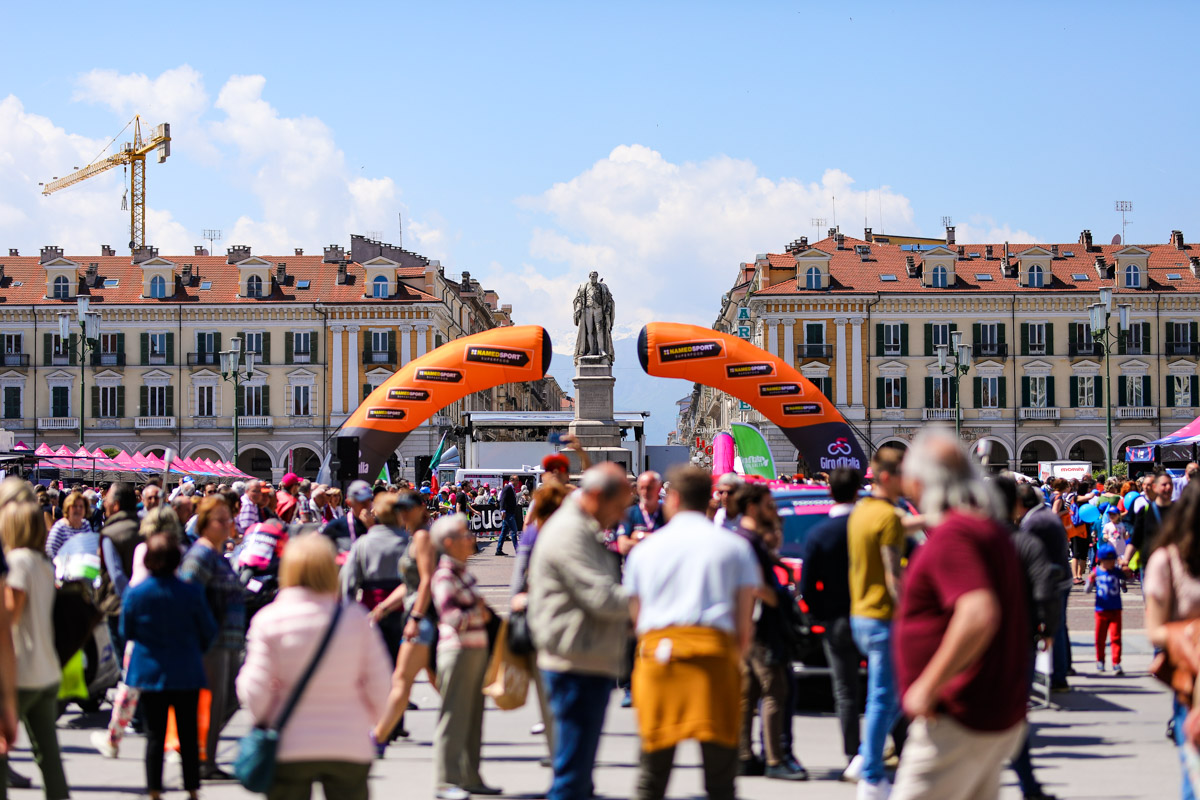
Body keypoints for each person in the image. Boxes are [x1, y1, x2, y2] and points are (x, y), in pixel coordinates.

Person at [890, 430, 1028, 800]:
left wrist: (928, 685)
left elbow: (978, 612)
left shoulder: (955, 536)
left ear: (917, 482)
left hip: (957, 715)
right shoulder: (986, 530)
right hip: (991, 712)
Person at [622, 466, 760, 800]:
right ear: (709, 499)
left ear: (675, 498)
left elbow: (636, 618)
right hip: (714, 657)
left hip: (660, 657)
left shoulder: (646, 550)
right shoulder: (735, 547)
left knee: (652, 774)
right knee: (720, 779)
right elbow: (746, 622)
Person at [237, 534, 392, 800]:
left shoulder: (269, 619)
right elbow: (381, 685)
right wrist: (370, 724)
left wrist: (266, 719)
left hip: (289, 744)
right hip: (348, 743)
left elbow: (253, 688)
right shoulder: (354, 618)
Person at [528, 463, 632, 800]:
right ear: (599, 497)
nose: (619, 517)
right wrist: (654, 603)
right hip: (574, 660)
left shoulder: (584, 527)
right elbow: (600, 596)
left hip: (586, 656)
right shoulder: (571, 531)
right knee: (571, 780)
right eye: (618, 508)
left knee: (578, 777)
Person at [123, 532, 216, 800]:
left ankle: (154, 790)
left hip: (150, 672)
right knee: (188, 735)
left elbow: (125, 630)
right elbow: (208, 630)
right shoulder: (191, 592)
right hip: (186, 670)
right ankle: (192, 789)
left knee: (154, 736)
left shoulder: (136, 594)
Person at [727, 483, 806, 780]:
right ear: (752, 508)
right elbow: (755, 587)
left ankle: (745, 756)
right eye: (768, 506)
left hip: (752, 625)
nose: (773, 511)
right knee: (776, 690)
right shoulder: (747, 542)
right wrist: (779, 598)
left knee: (749, 693)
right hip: (761, 626)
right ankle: (775, 759)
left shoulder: (746, 540)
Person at [845, 446, 906, 798]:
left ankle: (866, 756)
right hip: (884, 616)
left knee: (889, 694)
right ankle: (870, 773)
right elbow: (892, 574)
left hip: (860, 615)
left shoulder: (862, 511)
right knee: (885, 696)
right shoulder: (889, 517)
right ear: (886, 477)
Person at [1, 501, 69, 800]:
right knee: (48, 753)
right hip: (47, 669)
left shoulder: (17, 562)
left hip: (22, 670)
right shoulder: (43, 563)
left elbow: (9, 617)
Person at [430, 514, 499, 800]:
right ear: (448, 543)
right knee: (454, 718)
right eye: (464, 534)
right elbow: (450, 616)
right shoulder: (445, 575)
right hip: (457, 651)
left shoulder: (462, 572)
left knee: (473, 718)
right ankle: (446, 780)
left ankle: (471, 776)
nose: (471, 538)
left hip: (473, 650)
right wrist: (479, 614)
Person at [800, 467, 863, 774]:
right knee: (885, 686)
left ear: (830, 492)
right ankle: (895, 747)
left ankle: (853, 754)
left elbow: (808, 586)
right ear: (858, 491)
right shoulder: (874, 527)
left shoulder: (820, 534)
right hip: (876, 616)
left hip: (838, 619)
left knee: (846, 691)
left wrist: (823, 615)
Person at [180, 495, 246, 780]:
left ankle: (200, 754)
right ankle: (201, 760)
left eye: (228, 518)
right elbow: (188, 596)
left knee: (230, 698)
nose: (227, 524)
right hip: (213, 642)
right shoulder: (201, 554)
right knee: (217, 701)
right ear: (205, 524)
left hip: (228, 642)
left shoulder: (218, 554)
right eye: (220, 519)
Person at [370, 492, 439, 751]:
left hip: (423, 619)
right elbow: (409, 585)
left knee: (401, 680)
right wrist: (383, 607)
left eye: (408, 507)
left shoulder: (422, 537)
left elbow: (426, 580)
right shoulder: (413, 537)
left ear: (422, 509)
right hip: (420, 617)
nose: (403, 512)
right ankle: (464, 727)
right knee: (434, 682)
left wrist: (416, 617)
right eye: (399, 507)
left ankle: (376, 738)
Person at [1145, 480, 1200, 799]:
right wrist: (1193, 633)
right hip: (1192, 682)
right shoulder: (1167, 561)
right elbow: (1155, 629)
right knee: (1194, 778)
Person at [510, 482, 571, 753]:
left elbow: (520, 571)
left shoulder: (532, 534)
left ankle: (553, 735)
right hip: (566, 612)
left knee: (546, 670)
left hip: (539, 609)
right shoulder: (570, 533)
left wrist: (515, 603)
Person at [340, 492, 409, 661]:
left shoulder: (363, 543)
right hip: (402, 608)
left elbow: (348, 582)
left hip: (369, 608)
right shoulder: (409, 542)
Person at [1125, 470, 1175, 578]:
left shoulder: (1178, 509)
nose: (1168, 487)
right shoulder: (1145, 511)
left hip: (1173, 564)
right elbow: (1135, 539)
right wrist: (1125, 561)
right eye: (1164, 484)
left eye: (1170, 484)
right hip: (1150, 563)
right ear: (1156, 487)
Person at [1089, 543, 1124, 675]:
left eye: (1113, 560)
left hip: (1115, 609)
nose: (1111, 563)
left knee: (1116, 637)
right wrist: (1090, 581)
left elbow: (1126, 582)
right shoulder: (1096, 572)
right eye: (1108, 560)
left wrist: (1127, 574)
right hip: (1101, 610)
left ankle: (1116, 662)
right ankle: (1100, 661)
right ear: (1101, 560)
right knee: (1100, 637)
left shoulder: (1116, 571)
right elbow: (1087, 590)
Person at [323, 480, 373, 553]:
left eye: (368, 500)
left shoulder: (378, 525)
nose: (366, 505)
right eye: (361, 502)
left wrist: (373, 529)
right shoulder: (337, 526)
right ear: (349, 503)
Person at [44, 490, 91, 561]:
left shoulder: (85, 525)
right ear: (67, 508)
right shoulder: (60, 527)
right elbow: (50, 552)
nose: (78, 509)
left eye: (81, 506)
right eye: (74, 506)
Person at [495, 475, 523, 556]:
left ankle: (498, 549)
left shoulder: (511, 489)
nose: (518, 482)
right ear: (512, 480)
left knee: (504, 533)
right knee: (514, 531)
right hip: (508, 513)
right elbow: (503, 499)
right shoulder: (507, 488)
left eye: (518, 480)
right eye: (516, 480)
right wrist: (502, 510)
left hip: (510, 512)